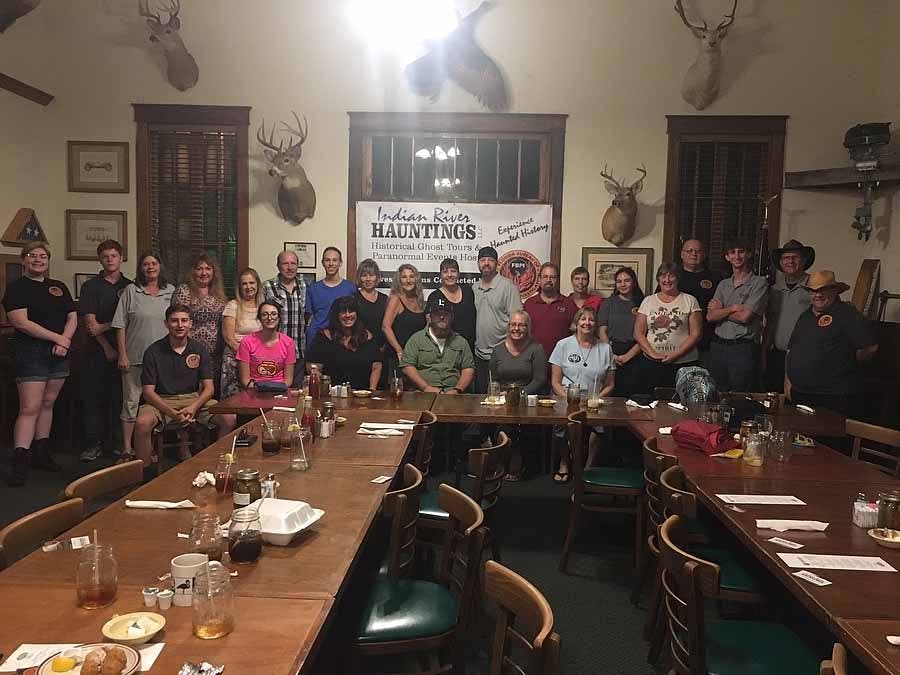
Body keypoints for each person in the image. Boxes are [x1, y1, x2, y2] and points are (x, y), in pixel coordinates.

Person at [2, 242, 76, 486]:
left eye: (43, 256)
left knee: (47, 403)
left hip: (58, 352)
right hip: (31, 352)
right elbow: (20, 322)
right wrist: (58, 338)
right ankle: (20, 461)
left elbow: (72, 316)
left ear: (48, 260)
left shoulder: (58, 287)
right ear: (24, 260)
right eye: (32, 256)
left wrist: (64, 342)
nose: (38, 260)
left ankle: (41, 453)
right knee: (30, 407)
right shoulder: (16, 288)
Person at [133, 304, 235, 477]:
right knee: (142, 423)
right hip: (161, 400)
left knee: (229, 418)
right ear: (166, 324)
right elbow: (148, 392)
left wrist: (194, 407)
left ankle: (219, 465)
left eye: (184, 320)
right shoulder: (153, 351)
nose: (179, 325)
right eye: (174, 321)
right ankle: (143, 475)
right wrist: (172, 413)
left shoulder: (199, 349)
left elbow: (209, 388)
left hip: (193, 399)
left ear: (190, 324)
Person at [111, 251, 176, 463]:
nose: (150, 267)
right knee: (130, 402)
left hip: (163, 360)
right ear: (141, 268)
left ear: (160, 266)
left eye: (154, 263)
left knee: (157, 406)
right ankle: (127, 449)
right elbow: (120, 324)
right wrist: (122, 354)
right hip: (135, 357)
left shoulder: (170, 291)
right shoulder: (131, 291)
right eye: (146, 264)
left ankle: (151, 449)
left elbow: (178, 323)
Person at [785, 271, 877, 417]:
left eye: (823, 290)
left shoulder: (847, 314)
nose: (818, 295)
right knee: (801, 438)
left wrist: (843, 364)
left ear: (834, 291)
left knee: (828, 438)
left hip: (833, 396)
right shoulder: (805, 316)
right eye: (814, 291)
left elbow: (870, 348)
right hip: (801, 394)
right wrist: (788, 382)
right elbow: (791, 350)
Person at [77, 239, 132, 462]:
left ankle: (119, 444)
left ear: (121, 258)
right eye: (105, 256)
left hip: (124, 351)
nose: (110, 260)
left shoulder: (129, 286)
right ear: (100, 259)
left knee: (120, 399)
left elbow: (130, 320)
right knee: (94, 398)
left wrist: (109, 324)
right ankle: (93, 444)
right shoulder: (91, 287)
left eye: (114, 256)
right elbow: (91, 326)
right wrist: (108, 346)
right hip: (97, 351)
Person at [549, 307, 615, 479]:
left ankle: (588, 468)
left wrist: (596, 399)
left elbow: (610, 384)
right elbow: (555, 381)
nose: (587, 323)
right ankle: (564, 462)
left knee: (601, 427)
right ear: (576, 323)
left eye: (591, 319)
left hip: (595, 398)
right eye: (583, 319)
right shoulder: (562, 345)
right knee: (561, 424)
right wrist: (568, 399)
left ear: (595, 324)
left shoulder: (606, 348)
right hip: (566, 396)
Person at [490, 310, 548, 480]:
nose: (517, 328)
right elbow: (493, 379)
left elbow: (540, 379)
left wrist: (516, 395)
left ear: (528, 327)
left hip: (527, 398)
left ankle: (521, 465)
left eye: (522, 324)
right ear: (508, 327)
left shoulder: (536, 349)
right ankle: (500, 464)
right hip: (502, 399)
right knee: (499, 424)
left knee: (525, 426)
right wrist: (502, 395)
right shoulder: (498, 350)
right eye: (513, 324)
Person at [707, 240, 769, 392]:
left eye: (741, 251)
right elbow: (710, 317)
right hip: (718, 347)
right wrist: (733, 308)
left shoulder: (759, 283)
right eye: (732, 252)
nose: (737, 256)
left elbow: (745, 318)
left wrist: (721, 310)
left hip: (742, 348)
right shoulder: (723, 284)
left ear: (748, 254)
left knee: (740, 396)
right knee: (716, 394)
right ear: (727, 257)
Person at [634, 263, 703, 392]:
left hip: (683, 363)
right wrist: (653, 354)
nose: (667, 280)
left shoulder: (690, 300)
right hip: (651, 363)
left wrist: (675, 355)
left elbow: (696, 334)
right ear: (658, 279)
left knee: (682, 404)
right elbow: (638, 333)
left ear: (678, 279)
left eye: (671, 276)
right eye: (663, 276)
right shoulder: (648, 301)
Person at [764, 239, 814, 392]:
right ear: (781, 262)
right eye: (786, 258)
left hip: (805, 355)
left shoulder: (814, 286)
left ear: (804, 260)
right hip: (778, 355)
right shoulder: (774, 289)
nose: (790, 261)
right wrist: (764, 353)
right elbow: (771, 322)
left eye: (795, 257)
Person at [400, 294, 475, 394]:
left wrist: (457, 390)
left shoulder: (461, 342)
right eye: (437, 314)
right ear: (430, 317)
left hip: (454, 394)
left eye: (446, 314)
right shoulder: (416, 339)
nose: (442, 317)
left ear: (452, 317)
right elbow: (407, 366)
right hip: (422, 393)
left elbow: (468, 368)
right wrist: (425, 387)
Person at [172, 253, 227, 389]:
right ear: (193, 271)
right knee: (192, 390)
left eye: (208, 268)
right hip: (191, 351)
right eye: (199, 269)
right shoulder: (184, 291)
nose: (204, 273)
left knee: (212, 393)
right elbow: (178, 320)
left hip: (215, 355)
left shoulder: (218, 293)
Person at [473, 246, 522, 393]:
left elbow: (518, 322)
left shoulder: (508, 287)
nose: (486, 263)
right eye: (483, 260)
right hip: (480, 354)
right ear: (478, 264)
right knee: (482, 397)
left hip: (503, 353)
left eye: (490, 260)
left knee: (502, 398)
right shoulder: (474, 288)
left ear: (497, 264)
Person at [307, 295, 382, 391]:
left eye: (351, 311)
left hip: (362, 396)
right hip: (332, 395)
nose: (347, 315)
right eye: (343, 312)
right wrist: (323, 386)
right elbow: (312, 365)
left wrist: (372, 390)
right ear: (336, 315)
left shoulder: (367, 336)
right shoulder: (324, 337)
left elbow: (377, 365)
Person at [597, 266, 645, 397]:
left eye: (627, 280)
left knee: (632, 396)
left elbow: (646, 335)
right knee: (610, 393)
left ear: (634, 282)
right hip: (611, 351)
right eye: (619, 281)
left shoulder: (644, 303)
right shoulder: (608, 303)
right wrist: (611, 354)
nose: (623, 284)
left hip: (636, 352)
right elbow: (602, 330)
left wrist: (628, 356)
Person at [673, 239, 722, 356]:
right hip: (677, 337)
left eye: (698, 251)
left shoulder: (716, 278)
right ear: (682, 254)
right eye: (689, 251)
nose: (693, 254)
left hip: (707, 339)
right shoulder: (672, 277)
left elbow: (722, 305)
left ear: (704, 255)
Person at [264, 250, 307, 382]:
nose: (289, 267)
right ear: (278, 266)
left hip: (298, 350)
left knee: (297, 395)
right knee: (274, 394)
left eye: (293, 263)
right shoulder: (268, 286)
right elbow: (262, 319)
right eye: (285, 263)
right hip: (275, 352)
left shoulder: (304, 286)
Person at [221, 268, 263, 399]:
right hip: (235, 359)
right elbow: (229, 338)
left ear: (257, 285)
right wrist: (246, 357)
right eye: (244, 283)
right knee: (234, 402)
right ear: (239, 287)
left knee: (255, 400)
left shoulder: (263, 307)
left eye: (252, 283)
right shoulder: (233, 306)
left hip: (258, 361)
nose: (248, 287)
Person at [305, 246, 356, 351]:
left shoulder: (350, 288)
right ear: (323, 263)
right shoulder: (313, 288)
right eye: (327, 260)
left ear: (340, 263)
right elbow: (309, 317)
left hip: (342, 339)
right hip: (316, 338)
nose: (331, 263)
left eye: (334, 260)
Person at [236, 301, 296, 390]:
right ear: (259, 318)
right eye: (265, 314)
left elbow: (288, 381)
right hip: (254, 391)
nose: (269, 318)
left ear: (279, 318)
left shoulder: (289, 343)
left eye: (274, 314)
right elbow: (245, 380)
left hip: (279, 392)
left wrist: (274, 389)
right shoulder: (247, 342)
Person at [524, 262, 576, 361]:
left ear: (557, 280)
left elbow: (576, 333)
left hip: (562, 359)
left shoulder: (568, 304)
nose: (548, 280)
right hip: (534, 359)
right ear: (539, 279)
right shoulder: (529, 304)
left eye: (552, 277)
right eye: (545, 277)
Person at [382, 263, 426, 371]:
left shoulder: (420, 300)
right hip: (398, 357)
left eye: (411, 276)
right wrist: (399, 350)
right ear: (399, 280)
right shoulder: (396, 299)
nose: (408, 280)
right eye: (404, 277)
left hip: (417, 356)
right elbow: (385, 327)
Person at [430, 258, 476, 357]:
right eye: (445, 272)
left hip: (470, 349)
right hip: (446, 352)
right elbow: (430, 327)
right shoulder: (434, 296)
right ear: (440, 275)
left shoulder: (468, 292)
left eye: (453, 271)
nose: (449, 275)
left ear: (458, 274)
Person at [354, 258, 388, 386]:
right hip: (359, 351)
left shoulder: (385, 299)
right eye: (364, 275)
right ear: (359, 278)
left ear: (377, 277)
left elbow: (389, 325)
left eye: (371, 275)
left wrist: (384, 345)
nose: (368, 279)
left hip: (381, 351)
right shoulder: (354, 298)